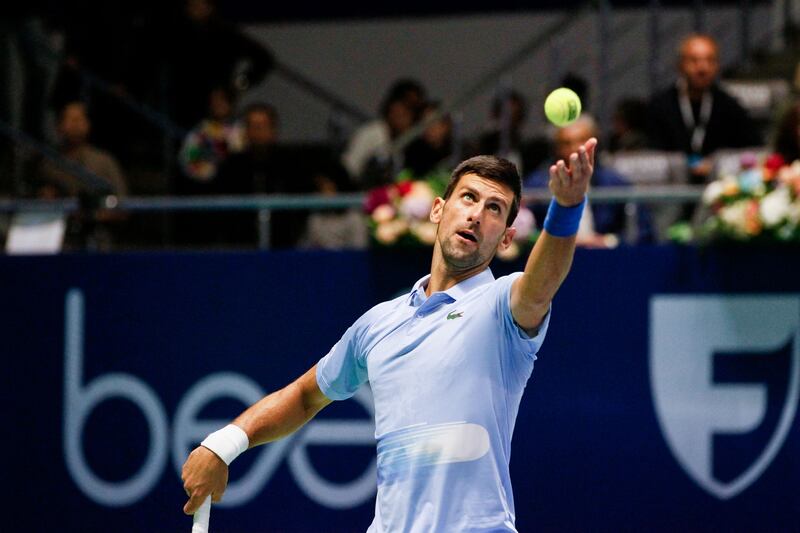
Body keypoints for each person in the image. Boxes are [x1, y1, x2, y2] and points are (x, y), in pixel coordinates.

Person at [181, 134, 598, 530]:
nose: (476, 214)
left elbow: (542, 283)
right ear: (439, 209)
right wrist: (225, 444)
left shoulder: (502, 306)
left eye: (494, 208)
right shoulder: (378, 323)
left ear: (507, 237)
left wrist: (567, 207)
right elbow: (306, 395)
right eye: (469, 197)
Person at [646, 33, 761, 181]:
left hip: (721, 184)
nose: (702, 68)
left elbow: (752, 150)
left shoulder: (730, 106)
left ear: (717, 66)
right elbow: (653, 156)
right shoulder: (659, 106)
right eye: (694, 60)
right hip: (671, 188)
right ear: (680, 65)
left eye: (710, 60)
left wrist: (716, 165)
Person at [525, 116, 652, 246]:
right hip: (553, 258)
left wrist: (609, 241)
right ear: (556, 147)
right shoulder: (537, 184)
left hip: (605, 258)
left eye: (581, 141)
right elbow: (524, 229)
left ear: (594, 145)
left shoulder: (616, 183)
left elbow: (640, 233)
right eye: (566, 143)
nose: (574, 149)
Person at [341, 79, 425, 187]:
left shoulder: (410, 141)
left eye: (414, 110)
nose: (407, 115)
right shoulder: (371, 133)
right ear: (392, 106)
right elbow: (349, 169)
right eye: (405, 107)